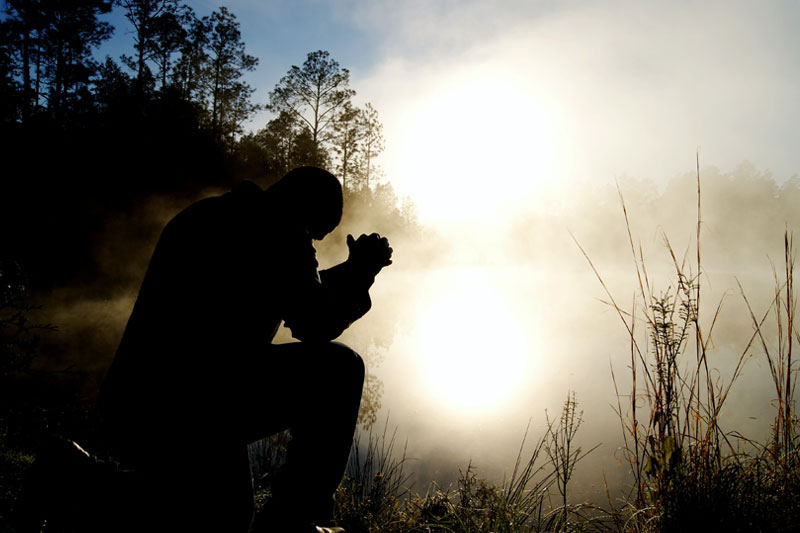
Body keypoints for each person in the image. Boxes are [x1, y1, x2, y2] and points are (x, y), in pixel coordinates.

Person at [100, 166, 392, 532]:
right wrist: (363, 274)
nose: (312, 244)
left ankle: (72, 474)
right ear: (303, 207)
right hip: (199, 402)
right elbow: (313, 323)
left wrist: (350, 270)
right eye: (313, 234)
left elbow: (291, 287)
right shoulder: (280, 232)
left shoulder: (212, 214)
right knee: (340, 369)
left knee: (224, 516)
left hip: (139, 400)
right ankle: (293, 520)